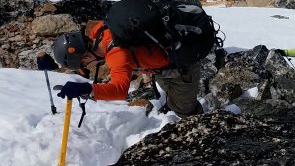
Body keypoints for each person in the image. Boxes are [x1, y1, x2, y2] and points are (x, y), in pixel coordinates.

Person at [48, 20, 204, 117]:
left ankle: (203, 130)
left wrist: (86, 88)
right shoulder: (101, 31)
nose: (86, 68)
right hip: (162, 64)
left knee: (186, 110)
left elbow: (120, 90)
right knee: (171, 94)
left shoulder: (116, 55)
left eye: (83, 66)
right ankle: (172, 104)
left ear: (86, 57)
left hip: (182, 66)